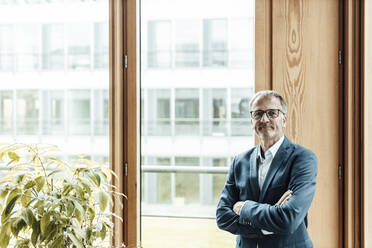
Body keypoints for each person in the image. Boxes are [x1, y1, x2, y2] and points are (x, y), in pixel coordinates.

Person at [216, 90, 318, 248]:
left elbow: (289, 218)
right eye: (258, 114)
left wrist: (244, 208)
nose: (264, 119)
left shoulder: (303, 159)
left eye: (272, 113)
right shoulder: (239, 162)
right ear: (252, 121)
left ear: (284, 119)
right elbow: (222, 216)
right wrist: (265, 227)